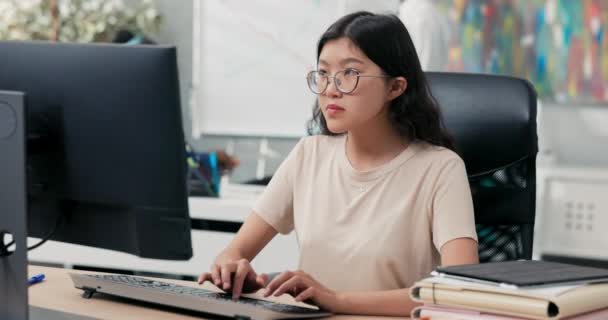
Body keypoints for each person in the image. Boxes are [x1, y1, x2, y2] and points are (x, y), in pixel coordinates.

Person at [198, 11, 478, 316]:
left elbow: (459, 291)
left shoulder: (440, 169)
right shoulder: (310, 154)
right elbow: (235, 251)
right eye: (323, 73)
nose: (331, 88)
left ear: (395, 88)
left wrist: (338, 300)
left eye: (349, 73)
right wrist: (233, 269)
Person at [398, 0, 450, 71]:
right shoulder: (430, 10)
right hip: (432, 76)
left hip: (424, 75)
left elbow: (425, 60)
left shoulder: (413, 10)